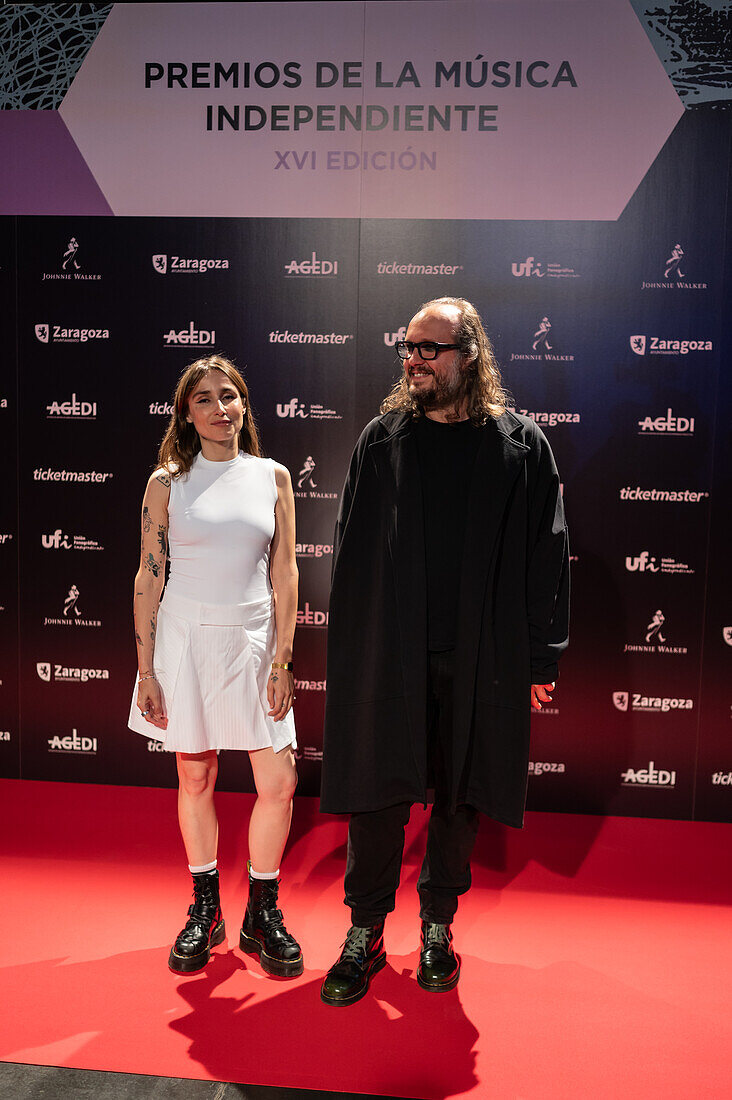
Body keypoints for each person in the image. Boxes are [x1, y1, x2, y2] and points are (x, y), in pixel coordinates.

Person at [320, 297, 569, 1006]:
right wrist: (351, 652)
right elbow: (353, 551)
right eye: (408, 346)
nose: (415, 358)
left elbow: (545, 557)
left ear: (470, 357)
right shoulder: (382, 439)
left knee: (460, 793)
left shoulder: (521, 445)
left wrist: (541, 660)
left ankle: (437, 926)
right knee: (375, 792)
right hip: (389, 651)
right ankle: (364, 930)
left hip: (482, 654)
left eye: (430, 348)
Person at [129, 354, 303, 978]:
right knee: (195, 779)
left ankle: (263, 910)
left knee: (278, 784)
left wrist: (284, 657)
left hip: (257, 640)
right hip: (187, 640)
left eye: (228, 396)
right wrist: (146, 669)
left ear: (244, 405)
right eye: (204, 398)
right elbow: (150, 576)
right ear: (186, 413)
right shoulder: (165, 483)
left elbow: (285, 574)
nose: (220, 407)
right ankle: (205, 909)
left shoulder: (274, 477)